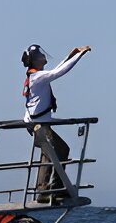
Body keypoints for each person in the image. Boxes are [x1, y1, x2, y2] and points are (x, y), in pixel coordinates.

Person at [21, 43, 91, 203]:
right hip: (39, 125)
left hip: (37, 123)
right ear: (34, 60)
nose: (43, 56)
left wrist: (71, 54)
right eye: (39, 54)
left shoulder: (36, 76)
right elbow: (59, 72)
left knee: (48, 154)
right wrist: (80, 55)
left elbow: (54, 71)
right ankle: (56, 189)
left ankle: (45, 190)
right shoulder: (38, 77)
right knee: (61, 149)